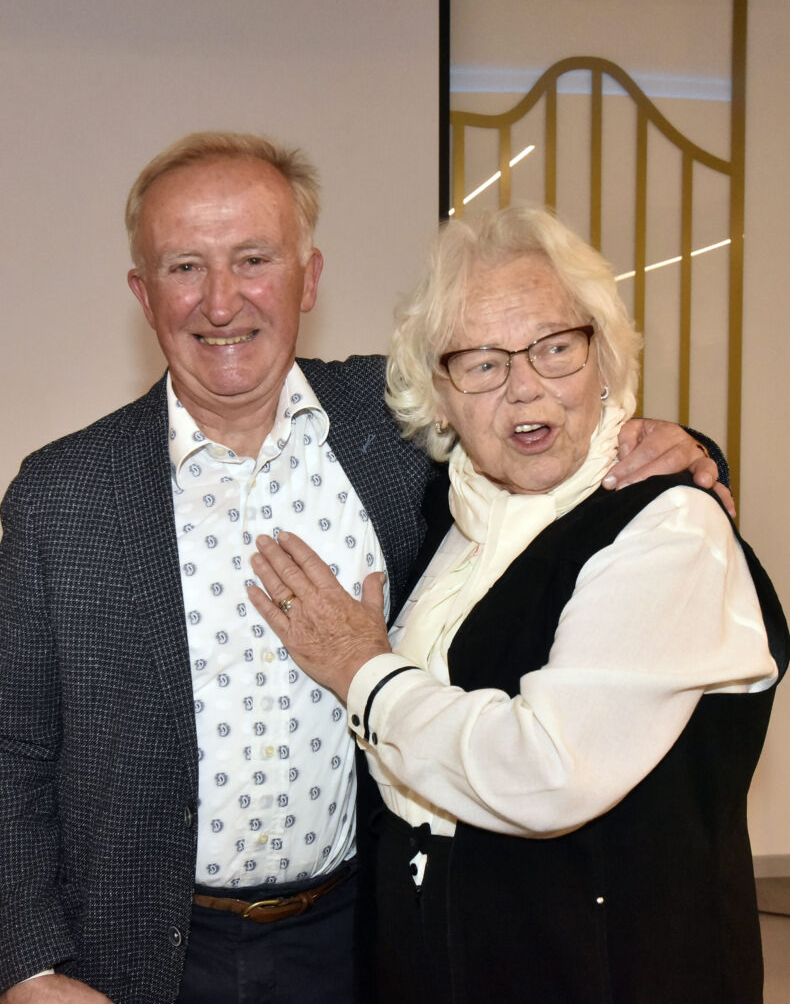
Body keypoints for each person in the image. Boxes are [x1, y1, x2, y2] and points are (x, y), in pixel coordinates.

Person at [0, 132, 725, 1004]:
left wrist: (678, 450)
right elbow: (14, 746)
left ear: (308, 278)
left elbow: (542, 435)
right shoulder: (62, 495)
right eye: (185, 266)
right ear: (143, 293)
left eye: (254, 259)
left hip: (364, 939)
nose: (221, 301)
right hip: (138, 956)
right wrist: (25, 965)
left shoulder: (396, 427)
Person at [248, 204, 789, 1004]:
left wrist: (362, 670)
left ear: (605, 358)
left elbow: (549, 769)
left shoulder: (670, 526)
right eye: (482, 363)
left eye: (555, 347)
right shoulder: (450, 513)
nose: (526, 385)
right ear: (440, 395)